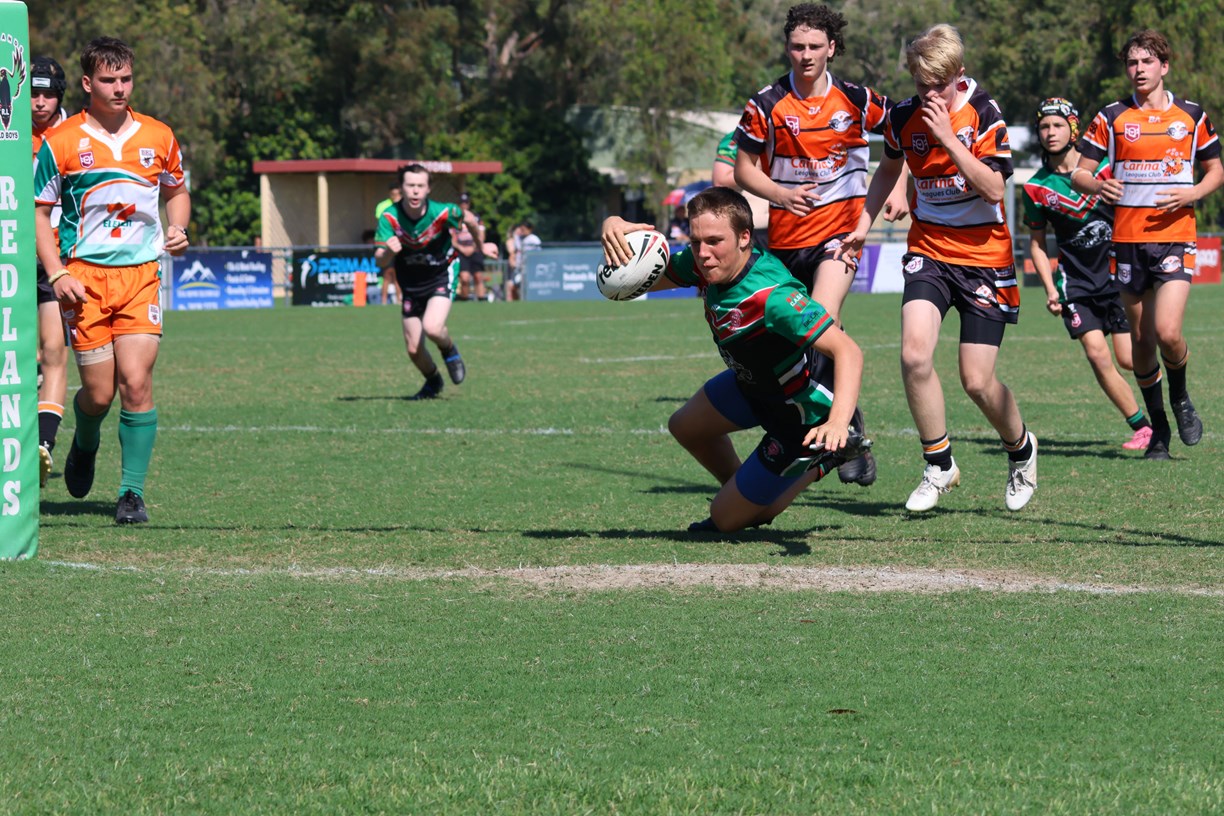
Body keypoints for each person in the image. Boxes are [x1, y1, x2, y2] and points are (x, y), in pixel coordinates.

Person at [838, 23, 1037, 512]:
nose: (930, 95)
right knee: (914, 355)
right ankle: (939, 463)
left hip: (986, 259)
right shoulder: (903, 117)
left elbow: (994, 189)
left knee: (977, 381)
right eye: (922, 85)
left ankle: (1022, 448)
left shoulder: (984, 113)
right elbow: (889, 166)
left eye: (940, 86)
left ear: (958, 76)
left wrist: (949, 138)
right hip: (930, 249)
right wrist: (863, 224)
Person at [602, 187, 869, 533]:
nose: (703, 253)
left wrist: (836, 421)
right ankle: (746, 495)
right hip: (753, 384)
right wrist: (614, 227)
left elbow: (849, 351)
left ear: (745, 237)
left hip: (799, 410)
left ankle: (825, 456)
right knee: (684, 426)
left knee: (726, 520)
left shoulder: (774, 297)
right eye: (696, 241)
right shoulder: (705, 264)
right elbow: (641, 279)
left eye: (714, 241)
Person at [732, 2, 909, 487]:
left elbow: (906, 134)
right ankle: (845, 425)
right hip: (786, 244)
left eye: (814, 46)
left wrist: (899, 185)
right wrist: (778, 193)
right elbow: (743, 169)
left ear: (832, 47)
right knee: (792, 342)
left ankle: (842, 436)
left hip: (841, 234)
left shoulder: (856, 99)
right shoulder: (767, 104)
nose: (805, 54)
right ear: (787, 48)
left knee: (819, 325)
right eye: (797, 46)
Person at [34, 37, 191, 524]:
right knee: (98, 394)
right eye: (108, 80)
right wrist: (57, 271)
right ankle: (83, 444)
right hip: (84, 280)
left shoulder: (158, 136)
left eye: (125, 79)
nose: (119, 88)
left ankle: (131, 494)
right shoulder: (62, 142)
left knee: (136, 382)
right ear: (87, 83)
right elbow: (39, 214)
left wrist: (178, 226)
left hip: (142, 276)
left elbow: (177, 190)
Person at [1072, 30, 1223, 460]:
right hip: (1128, 243)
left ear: (1164, 66)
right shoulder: (1113, 116)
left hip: (1175, 236)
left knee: (1168, 332)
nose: (1138, 70)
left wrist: (1192, 194)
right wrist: (1098, 185)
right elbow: (1080, 172)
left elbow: (1215, 170)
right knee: (1140, 344)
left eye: (1146, 62)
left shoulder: (1191, 116)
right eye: (1132, 63)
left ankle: (1181, 398)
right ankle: (1159, 429)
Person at [1022, 98, 1153, 451]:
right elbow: (1036, 243)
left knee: (1129, 358)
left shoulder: (1106, 170)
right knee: (1097, 354)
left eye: (1058, 125)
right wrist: (1050, 287)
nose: (1050, 133)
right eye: (1044, 126)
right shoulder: (1036, 188)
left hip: (1117, 278)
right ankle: (1142, 427)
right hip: (1076, 284)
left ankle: (1165, 401)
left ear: (1074, 129)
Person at [374, 163, 481, 399]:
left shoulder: (443, 212)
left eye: (420, 186)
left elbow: (471, 220)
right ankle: (433, 382)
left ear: (428, 189)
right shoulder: (389, 217)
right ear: (401, 188)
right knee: (413, 349)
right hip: (411, 283)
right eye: (410, 185)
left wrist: (482, 246)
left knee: (432, 327)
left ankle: (449, 349)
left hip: (441, 273)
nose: (415, 191)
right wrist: (389, 252)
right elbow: (380, 261)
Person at [30, 56, 70, 490]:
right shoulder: (9, 133)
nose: (39, 102)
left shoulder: (74, 133)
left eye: (48, 94)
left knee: (54, 351)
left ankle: (43, 446)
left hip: (55, 258)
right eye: (33, 93)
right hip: (10, 253)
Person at [454, 192, 489, 301]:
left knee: (478, 276)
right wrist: (462, 249)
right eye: (461, 203)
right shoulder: (454, 218)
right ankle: (465, 300)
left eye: (466, 203)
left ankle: (481, 300)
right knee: (464, 278)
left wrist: (474, 247)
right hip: (461, 251)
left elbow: (481, 235)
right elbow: (452, 238)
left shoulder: (476, 217)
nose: (464, 205)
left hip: (475, 249)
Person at [373, 183, 402, 304]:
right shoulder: (383, 206)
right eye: (393, 194)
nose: (395, 196)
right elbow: (384, 222)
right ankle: (384, 300)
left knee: (398, 275)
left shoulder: (403, 206)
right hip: (386, 243)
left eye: (397, 194)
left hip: (400, 243)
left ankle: (400, 299)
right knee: (388, 273)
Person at [505, 221, 540, 302]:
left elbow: (538, 253)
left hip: (530, 268)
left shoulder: (533, 239)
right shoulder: (520, 238)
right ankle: (517, 305)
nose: (522, 231)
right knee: (513, 287)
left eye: (524, 229)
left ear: (530, 229)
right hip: (520, 268)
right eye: (521, 229)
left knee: (525, 287)